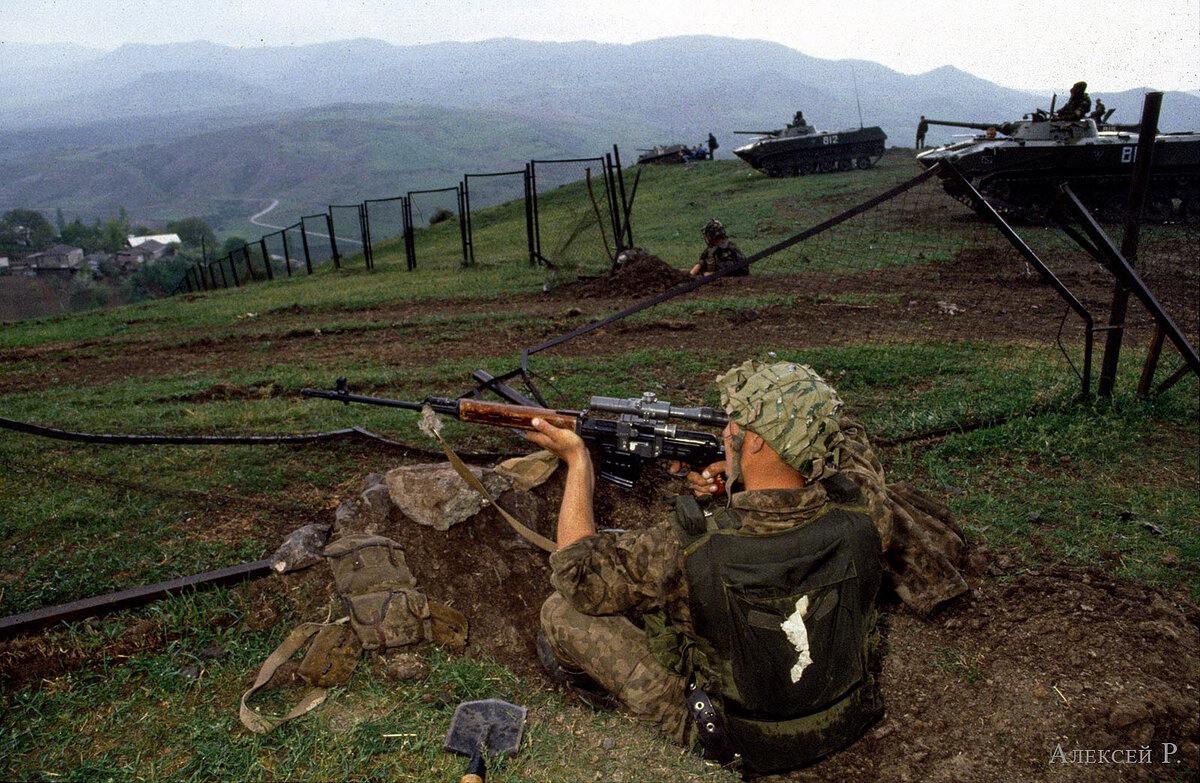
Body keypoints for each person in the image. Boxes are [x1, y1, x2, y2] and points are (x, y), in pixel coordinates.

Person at [526, 360, 887, 775]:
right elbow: (849, 440)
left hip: (732, 739)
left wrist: (578, 463)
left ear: (755, 444)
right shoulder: (867, 514)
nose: (725, 432)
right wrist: (742, 480)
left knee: (560, 612)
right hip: (841, 720)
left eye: (734, 424)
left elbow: (576, 574)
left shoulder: (684, 547)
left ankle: (595, 693)